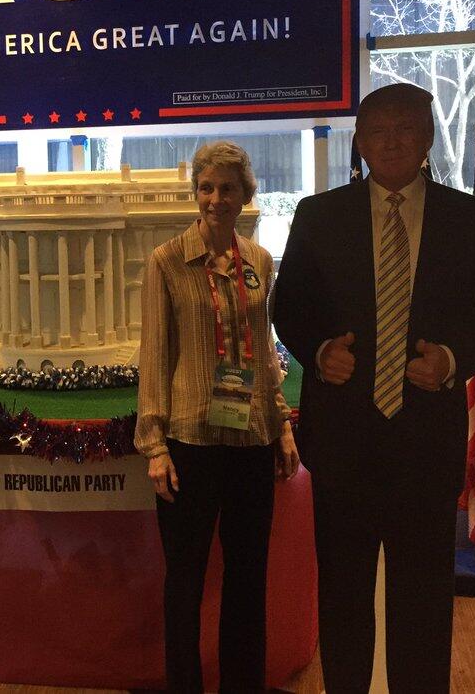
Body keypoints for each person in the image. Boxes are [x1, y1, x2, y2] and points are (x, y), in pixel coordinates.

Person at [273, 83, 475, 693]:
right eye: (377, 129)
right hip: (342, 446)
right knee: (344, 598)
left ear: (428, 137)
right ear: (358, 140)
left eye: (405, 127)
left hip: (425, 444)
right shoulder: (318, 215)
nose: (390, 140)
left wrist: (456, 359)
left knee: (424, 602)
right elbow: (290, 306)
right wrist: (321, 350)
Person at [136, 141, 299, 693]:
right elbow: (155, 356)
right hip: (190, 443)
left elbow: (265, 346)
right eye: (206, 187)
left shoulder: (259, 262)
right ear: (195, 193)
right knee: (184, 582)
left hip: (250, 441)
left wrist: (280, 423)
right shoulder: (166, 262)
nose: (215, 199)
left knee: (248, 581)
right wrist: (154, 445)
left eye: (227, 188)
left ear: (245, 195)